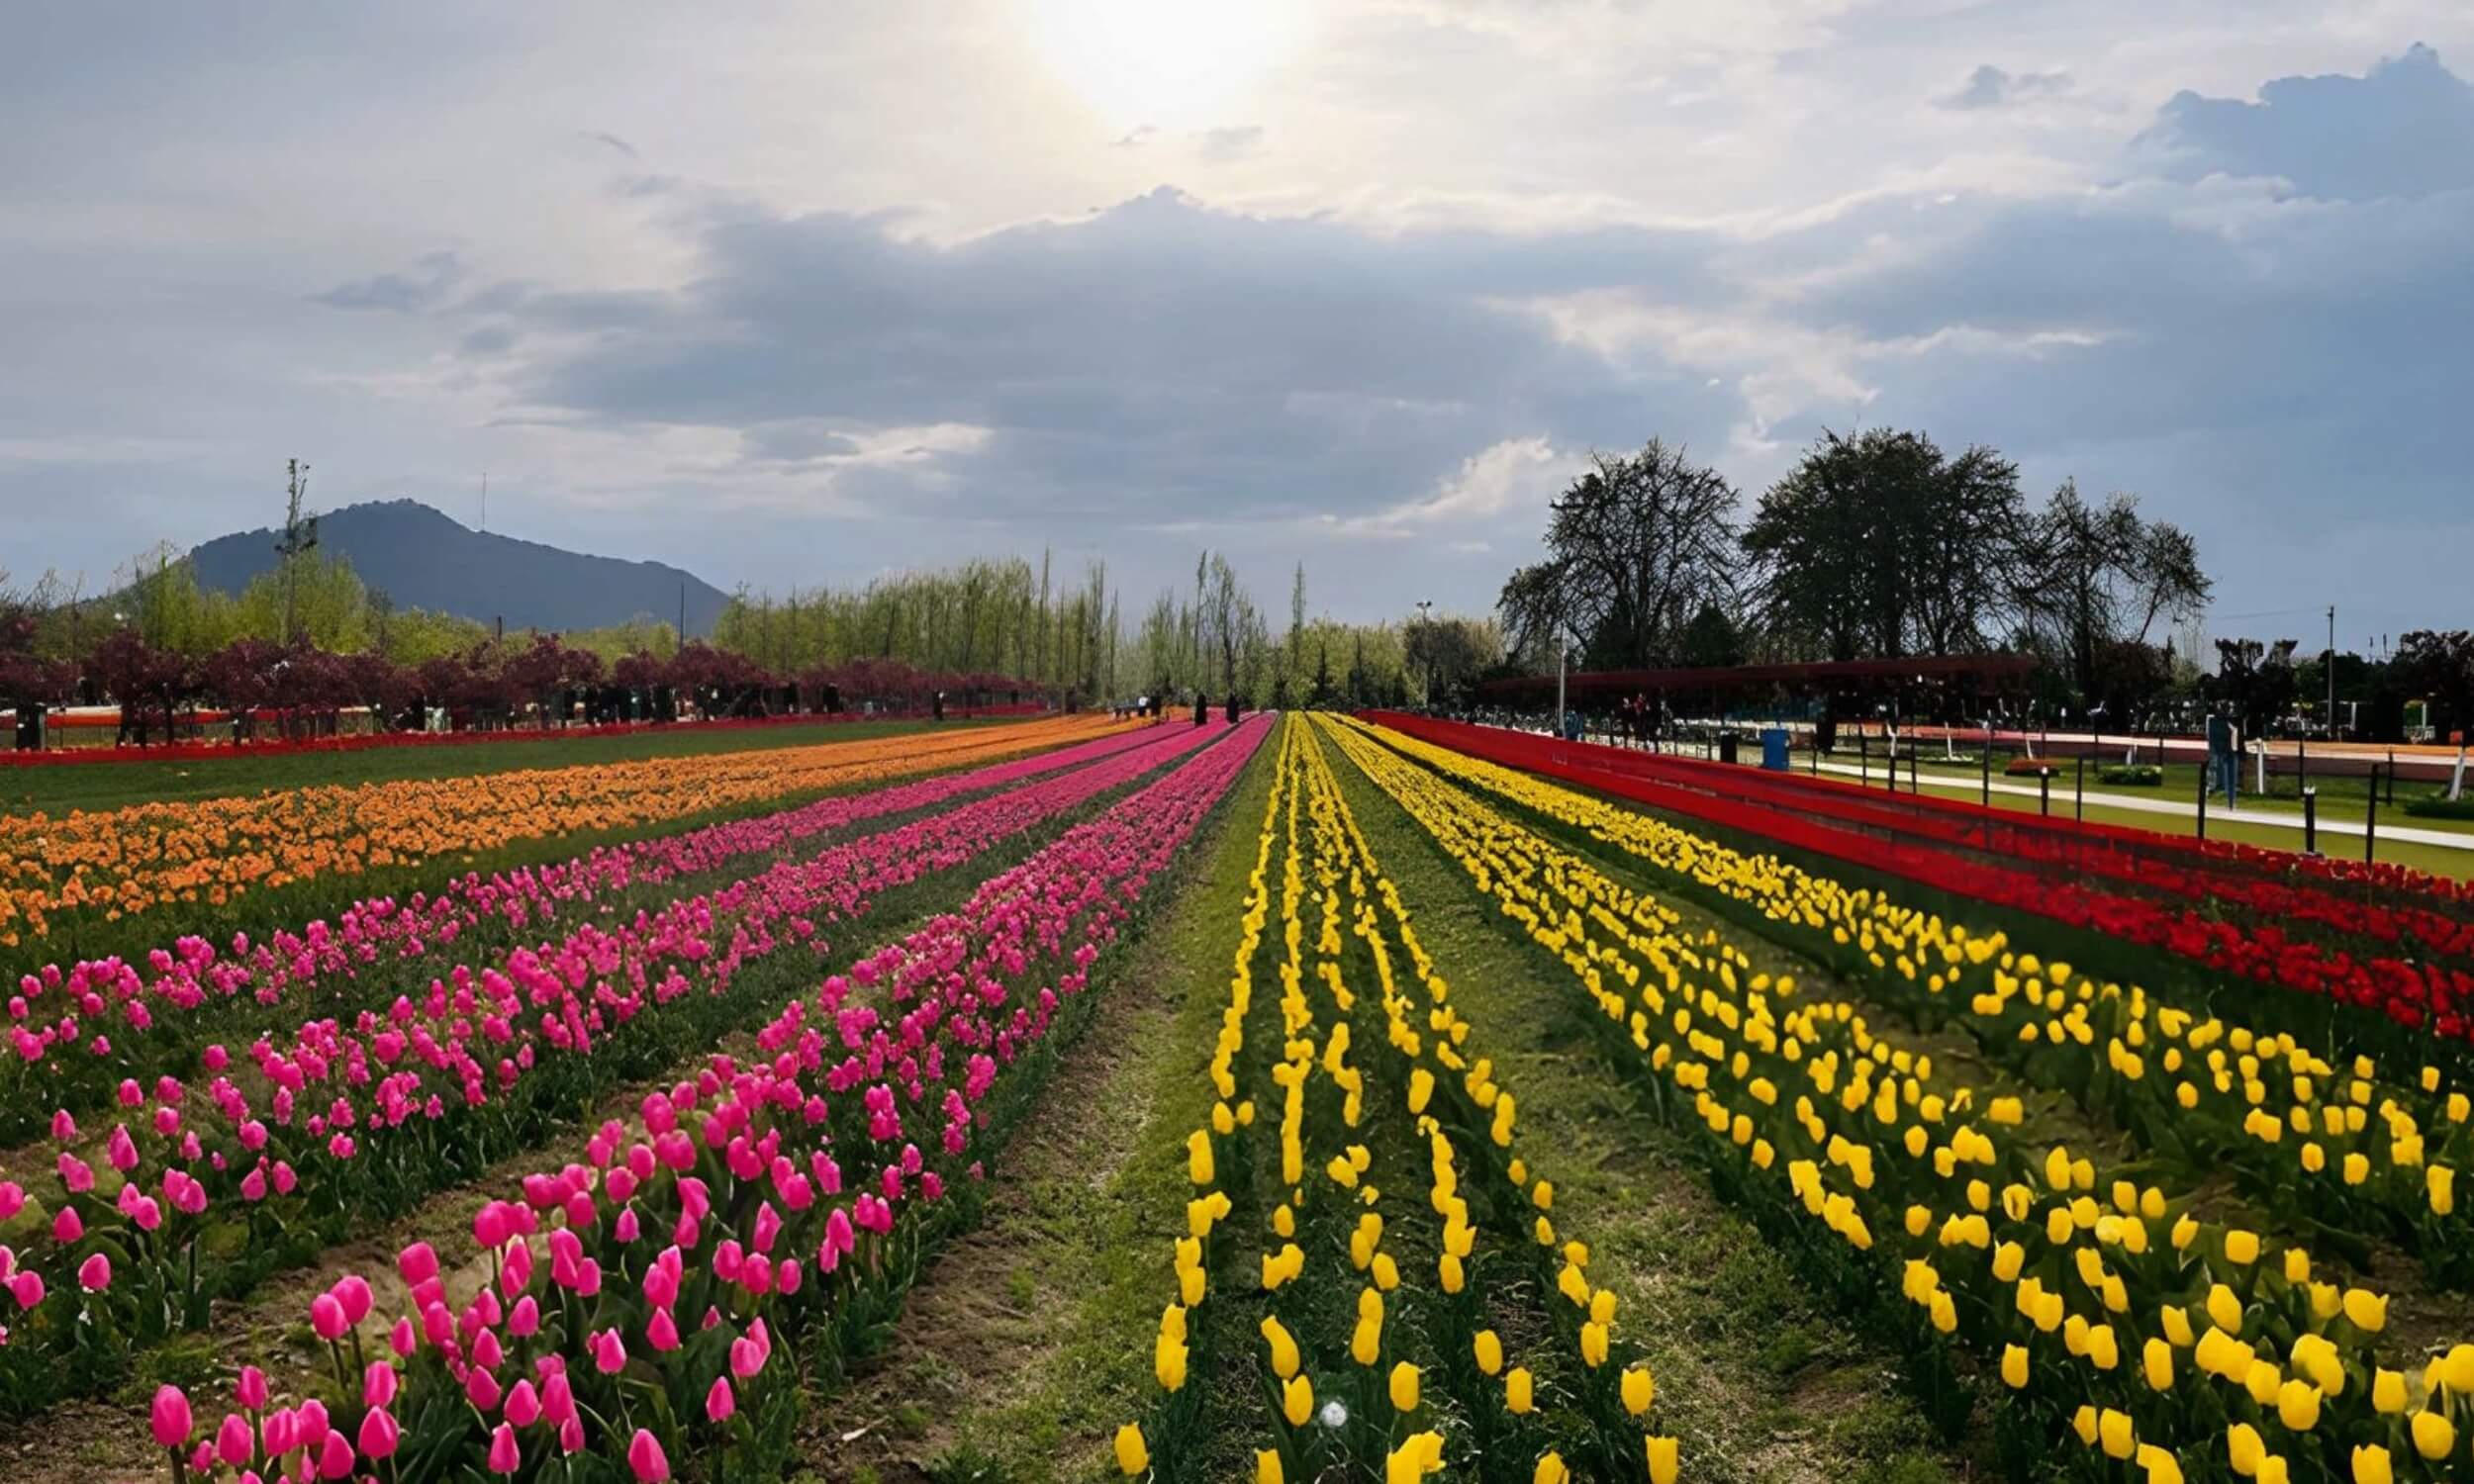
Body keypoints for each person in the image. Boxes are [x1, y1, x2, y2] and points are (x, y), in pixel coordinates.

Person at [2206, 705, 2238, 808]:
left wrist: (2233, 746)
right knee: (2214, 768)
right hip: (2217, 749)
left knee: (2223, 770)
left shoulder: (2226, 723)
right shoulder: (2213, 722)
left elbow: (2233, 732)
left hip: (2224, 750)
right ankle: (2215, 788)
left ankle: (2224, 791)